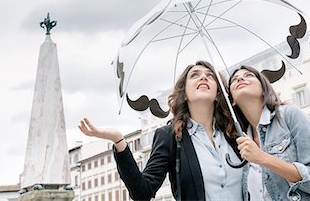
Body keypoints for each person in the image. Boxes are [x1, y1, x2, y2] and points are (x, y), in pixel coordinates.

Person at [79, 60, 244, 201]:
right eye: (195, 75)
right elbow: (142, 192)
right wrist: (118, 140)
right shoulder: (169, 136)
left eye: (210, 75)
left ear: (217, 93)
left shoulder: (235, 132)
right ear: (184, 94)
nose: (203, 77)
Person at [228, 65, 310, 201]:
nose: (240, 79)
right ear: (232, 100)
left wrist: (262, 158)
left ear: (263, 89)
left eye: (249, 75)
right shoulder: (241, 143)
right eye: (234, 80)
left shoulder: (290, 115)